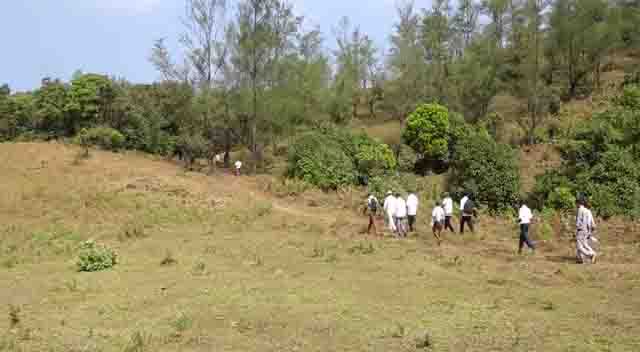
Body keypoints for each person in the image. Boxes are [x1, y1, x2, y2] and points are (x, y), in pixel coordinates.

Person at [576, 199, 597, 264]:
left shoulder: (580, 210)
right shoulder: (587, 211)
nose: (576, 205)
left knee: (579, 246)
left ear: (578, 204)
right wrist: (589, 231)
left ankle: (591, 254)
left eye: (576, 204)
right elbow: (591, 223)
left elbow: (579, 221)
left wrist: (577, 229)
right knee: (584, 244)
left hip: (582, 229)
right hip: (586, 229)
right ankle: (580, 259)